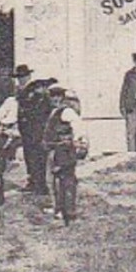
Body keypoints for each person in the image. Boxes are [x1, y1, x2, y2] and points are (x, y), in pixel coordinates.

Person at [42, 86, 88, 223]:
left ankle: (68, 212)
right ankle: (58, 208)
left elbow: (79, 126)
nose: (55, 100)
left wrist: (79, 142)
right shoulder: (54, 112)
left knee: (66, 181)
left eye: (58, 97)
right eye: (52, 97)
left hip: (63, 151)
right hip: (53, 149)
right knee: (51, 181)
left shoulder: (67, 112)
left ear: (62, 98)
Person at [14, 68, 54, 194]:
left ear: (28, 76)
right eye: (19, 77)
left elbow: (41, 112)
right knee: (29, 157)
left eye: (23, 76)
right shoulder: (21, 91)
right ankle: (33, 182)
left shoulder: (35, 92)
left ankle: (40, 185)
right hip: (26, 131)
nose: (21, 79)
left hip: (37, 130)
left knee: (38, 157)